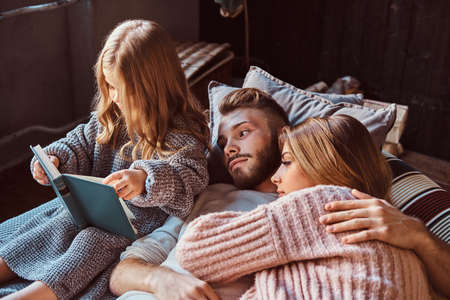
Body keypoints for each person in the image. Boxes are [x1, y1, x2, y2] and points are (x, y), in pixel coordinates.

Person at [110, 88, 450, 299]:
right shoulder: (207, 193)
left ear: (282, 137)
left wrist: (420, 237)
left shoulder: (353, 213)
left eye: (244, 132)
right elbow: (122, 272)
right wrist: (161, 281)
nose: (229, 148)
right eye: (223, 141)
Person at [0, 19, 209, 300]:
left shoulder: (182, 135)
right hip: (89, 211)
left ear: (154, 86)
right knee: (49, 225)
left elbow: (191, 176)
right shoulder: (111, 120)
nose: (113, 96)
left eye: (122, 89)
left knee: (91, 245)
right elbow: (79, 143)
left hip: (128, 228)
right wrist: (55, 159)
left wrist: (144, 178)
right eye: (109, 86)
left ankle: (32, 295)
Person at [176, 114, 430, 299]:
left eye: (286, 162)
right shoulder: (399, 239)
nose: (276, 177)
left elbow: (194, 250)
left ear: (325, 164)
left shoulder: (327, 204)